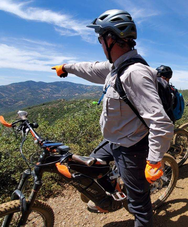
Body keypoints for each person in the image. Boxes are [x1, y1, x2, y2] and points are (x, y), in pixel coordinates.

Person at [51, 9, 174, 227]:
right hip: (114, 140)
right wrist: (66, 68)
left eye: (100, 38)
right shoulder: (115, 69)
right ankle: (114, 193)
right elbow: (90, 68)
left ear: (110, 38)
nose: (99, 42)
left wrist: (154, 160)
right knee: (91, 166)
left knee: (140, 207)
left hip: (133, 148)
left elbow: (160, 122)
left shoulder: (134, 73)